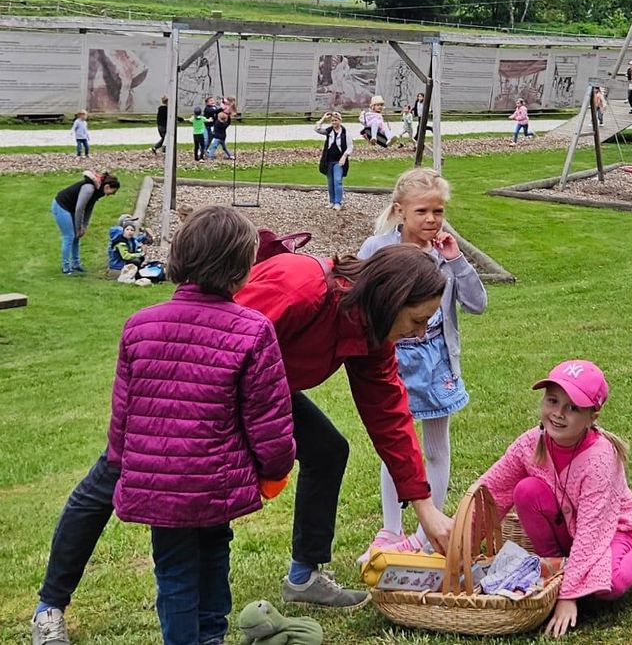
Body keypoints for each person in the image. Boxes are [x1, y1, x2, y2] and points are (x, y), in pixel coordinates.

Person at [30, 245, 452, 643]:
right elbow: (217, 340)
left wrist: (424, 507)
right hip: (189, 385)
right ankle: (50, 605)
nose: (418, 332)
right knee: (113, 472)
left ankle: (303, 576)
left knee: (326, 449)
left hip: (262, 392)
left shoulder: (371, 329)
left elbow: (389, 416)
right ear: (390, 297)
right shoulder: (301, 287)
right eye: (417, 320)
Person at [104, 206, 296, 645]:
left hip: (158, 483)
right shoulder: (253, 330)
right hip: (215, 482)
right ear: (242, 266)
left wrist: (121, 464)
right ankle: (210, 637)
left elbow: (123, 413)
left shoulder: (139, 326)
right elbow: (268, 419)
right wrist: (275, 466)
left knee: (172, 571)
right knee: (213, 556)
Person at [478, 360, 632, 637]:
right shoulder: (531, 442)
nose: (558, 413)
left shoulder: (600, 459)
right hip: (569, 530)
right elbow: (491, 489)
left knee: (611, 585)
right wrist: (453, 537)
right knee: (527, 490)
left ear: (593, 416)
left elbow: (592, 531)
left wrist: (568, 596)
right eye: (552, 401)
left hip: (609, 530)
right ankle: (556, 567)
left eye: (572, 407)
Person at [357, 169, 487, 556]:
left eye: (438, 211)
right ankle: (391, 530)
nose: (431, 220)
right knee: (396, 444)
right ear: (400, 211)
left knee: (434, 446)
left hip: (436, 361)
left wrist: (457, 260)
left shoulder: (445, 254)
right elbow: (358, 295)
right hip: (392, 355)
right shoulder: (377, 249)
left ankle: (427, 530)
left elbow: (477, 304)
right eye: (422, 211)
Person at [51, 171, 120, 275]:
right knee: (69, 236)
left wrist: (84, 226)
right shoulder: (89, 189)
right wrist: (79, 227)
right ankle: (66, 268)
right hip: (62, 206)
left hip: (72, 208)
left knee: (76, 237)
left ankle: (76, 264)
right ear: (107, 186)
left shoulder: (98, 191)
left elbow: (89, 207)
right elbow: (80, 208)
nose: (112, 194)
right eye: (113, 192)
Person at [315, 111, 352, 211]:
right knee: (330, 182)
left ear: (340, 121)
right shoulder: (329, 131)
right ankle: (331, 201)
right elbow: (317, 129)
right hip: (328, 160)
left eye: (336, 120)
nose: (334, 123)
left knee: (337, 180)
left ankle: (338, 202)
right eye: (332, 121)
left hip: (338, 161)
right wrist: (323, 118)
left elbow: (350, 147)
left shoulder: (345, 134)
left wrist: (344, 156)